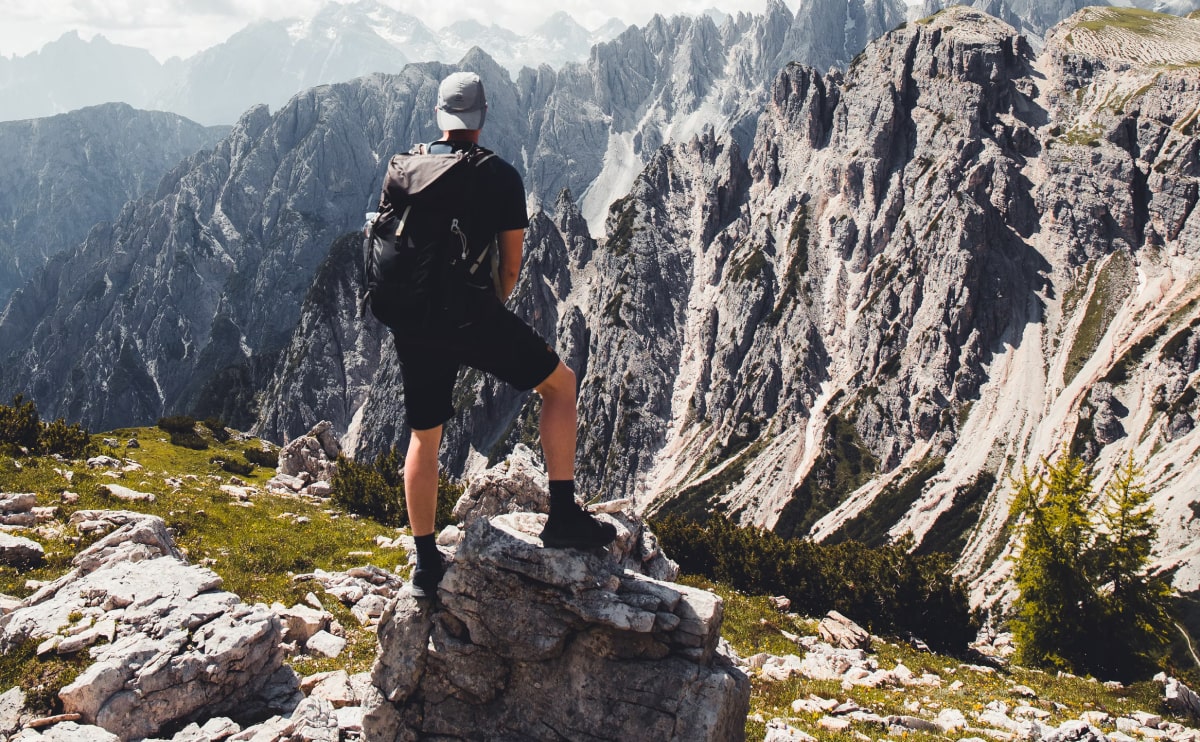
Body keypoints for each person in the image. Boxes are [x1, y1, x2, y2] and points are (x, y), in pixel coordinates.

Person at [387, 71, 616, 599]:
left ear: (439, 116)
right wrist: (487, 316)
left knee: (425, 436)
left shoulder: (405, 167)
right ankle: (563, 515)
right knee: (560, 385)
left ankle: (425, 563)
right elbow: (511, 267)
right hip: (470, 315)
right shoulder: (500, 176)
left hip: (412, 317)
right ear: (483, 116)